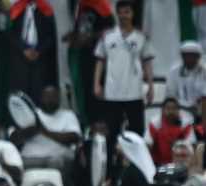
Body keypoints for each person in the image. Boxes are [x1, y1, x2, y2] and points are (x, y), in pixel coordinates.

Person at [93, 0, 154, 149]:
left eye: (127, 12)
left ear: (132, 14)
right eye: (120, 12)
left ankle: (136, 162)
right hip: (112, 92)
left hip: (134, 92)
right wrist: (96, 84)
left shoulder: (141, 37)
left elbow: (147, 62)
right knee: (111, 132)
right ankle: (110, 163)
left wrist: (151, 87)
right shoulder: (107, 36)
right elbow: (100, 60)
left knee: (137, 132)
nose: (123, 16)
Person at [9, 85, 82, 186]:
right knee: (18, 165)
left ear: (59, 98)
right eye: (47, 96)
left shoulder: (68, 115)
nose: (50, 99)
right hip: (29, 158)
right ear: (41, 98)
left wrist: (44, 131)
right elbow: (13, 139)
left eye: (53, 96)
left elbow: (74, 138)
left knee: (56, 163)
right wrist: (30, 130)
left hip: (56, 159)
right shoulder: (30, 114)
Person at [64, 0, 114, 125]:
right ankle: (89, 126)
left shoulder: (103, 8)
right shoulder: (82, 6)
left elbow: (110, 32)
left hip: (99, 61)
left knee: (98, 95)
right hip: (84, 58)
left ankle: (101, 128)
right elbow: (83, 30)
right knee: (86, 94)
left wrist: (88, 38)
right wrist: (73, 36)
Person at [7, 0, 57, 104]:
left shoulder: (45, 10)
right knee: (20, 95)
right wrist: (23, 49)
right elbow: (11, 34)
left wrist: (38, 51)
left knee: (38, 95)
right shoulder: (17, 9)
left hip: (39, 60)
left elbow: (50, 36)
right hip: (20, 59)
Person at [145, 98, 193, 166]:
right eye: (168, 108)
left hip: (181, 164)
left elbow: (192, 146)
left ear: (178, 111)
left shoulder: (185, 124)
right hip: (159, 164)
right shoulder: (155, 123)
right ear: (163, 110)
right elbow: (147, 145)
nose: (171, 111)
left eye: (174, 108)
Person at [166, 41, 206, 120]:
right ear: (182, 56)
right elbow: (170, 94)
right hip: (180, 110)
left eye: (192, 56)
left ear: (198, 57)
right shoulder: (174, 71)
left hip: (202, 109)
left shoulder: (204, 71)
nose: (189, 59)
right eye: (186, 56)